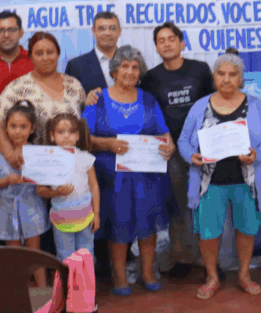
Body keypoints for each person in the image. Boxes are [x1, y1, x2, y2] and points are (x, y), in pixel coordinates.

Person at [177, 49, 261, 300]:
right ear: (214, 76)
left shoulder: (255, 105)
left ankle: (244, 274)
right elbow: (182, 140)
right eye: (221, 74)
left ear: (241, 77)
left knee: (246, 228)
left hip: (247, 181)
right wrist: (191, 155)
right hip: (209, 181)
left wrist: (258, 154)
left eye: (233, 74)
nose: (226, 79)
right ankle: (212, 276)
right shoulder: (201, 106)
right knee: (209, 231)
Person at [83, 45, 174, 296]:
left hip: (146, 176)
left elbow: (163, 132)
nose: (130, 71)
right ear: (114, 70)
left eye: (135, 67)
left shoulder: (148, 99)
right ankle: (120, 276)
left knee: (148, 224)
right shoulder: (98, 100)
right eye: (124, 66)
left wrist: (170, 145)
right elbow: (83, 138)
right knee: (117, 224)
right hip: (111, 176)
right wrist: (108, 144)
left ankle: (147, 272)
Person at [141, 22, 215, 277]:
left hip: (202, 149)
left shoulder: (200, 70)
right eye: (161, 40)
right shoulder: (150, 78)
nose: (167, 43)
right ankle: (180, 255)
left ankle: (207, 261)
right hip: (170, 152)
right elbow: (149, 113)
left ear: (182, 42)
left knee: (204, 204)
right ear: (156, 47)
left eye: (172, 38)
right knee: (177, 205)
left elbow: (213, 105)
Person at [0, 33, 87, 161]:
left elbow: (85, 123)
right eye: (39, 53)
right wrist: (10, 155)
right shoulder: (17, 88)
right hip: (30, 166)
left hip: (70, 164)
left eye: (50, 52)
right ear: (30, 57)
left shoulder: (74, 85)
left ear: (58, 54)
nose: (45, 57)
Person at [0, 100, 50, 250]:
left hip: (32, 208)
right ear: (6, 127)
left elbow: (45, 181)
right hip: (6, 209)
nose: (17, 131)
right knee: (13, 254)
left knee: (34, 253)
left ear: (32, 128)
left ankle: (38, 275)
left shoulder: (37, 154)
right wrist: (7, 180)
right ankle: (18, 275)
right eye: (13, 126)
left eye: (23, 127)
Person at [37, 113, 99, 262]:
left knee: (86, 257)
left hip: (86, 219)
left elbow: (94, 186)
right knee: (66, 259)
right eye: (61, 132)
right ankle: (69, 286)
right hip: (61, 220)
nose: (66, 136)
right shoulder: (48, 160)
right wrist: (55, 192)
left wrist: (96, 213)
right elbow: (39, 189)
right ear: (52, 136)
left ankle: (85, 286)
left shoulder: (85, 158)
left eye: (71, 132)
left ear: (78, 135)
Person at [67, 11, 121, 99]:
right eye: (102, 28)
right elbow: (69, 103)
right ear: (93, 31)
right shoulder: (76, 67)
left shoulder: (132, 63)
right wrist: (85, 101)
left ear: (119, 31)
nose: (107, 33)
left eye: (112, 28)